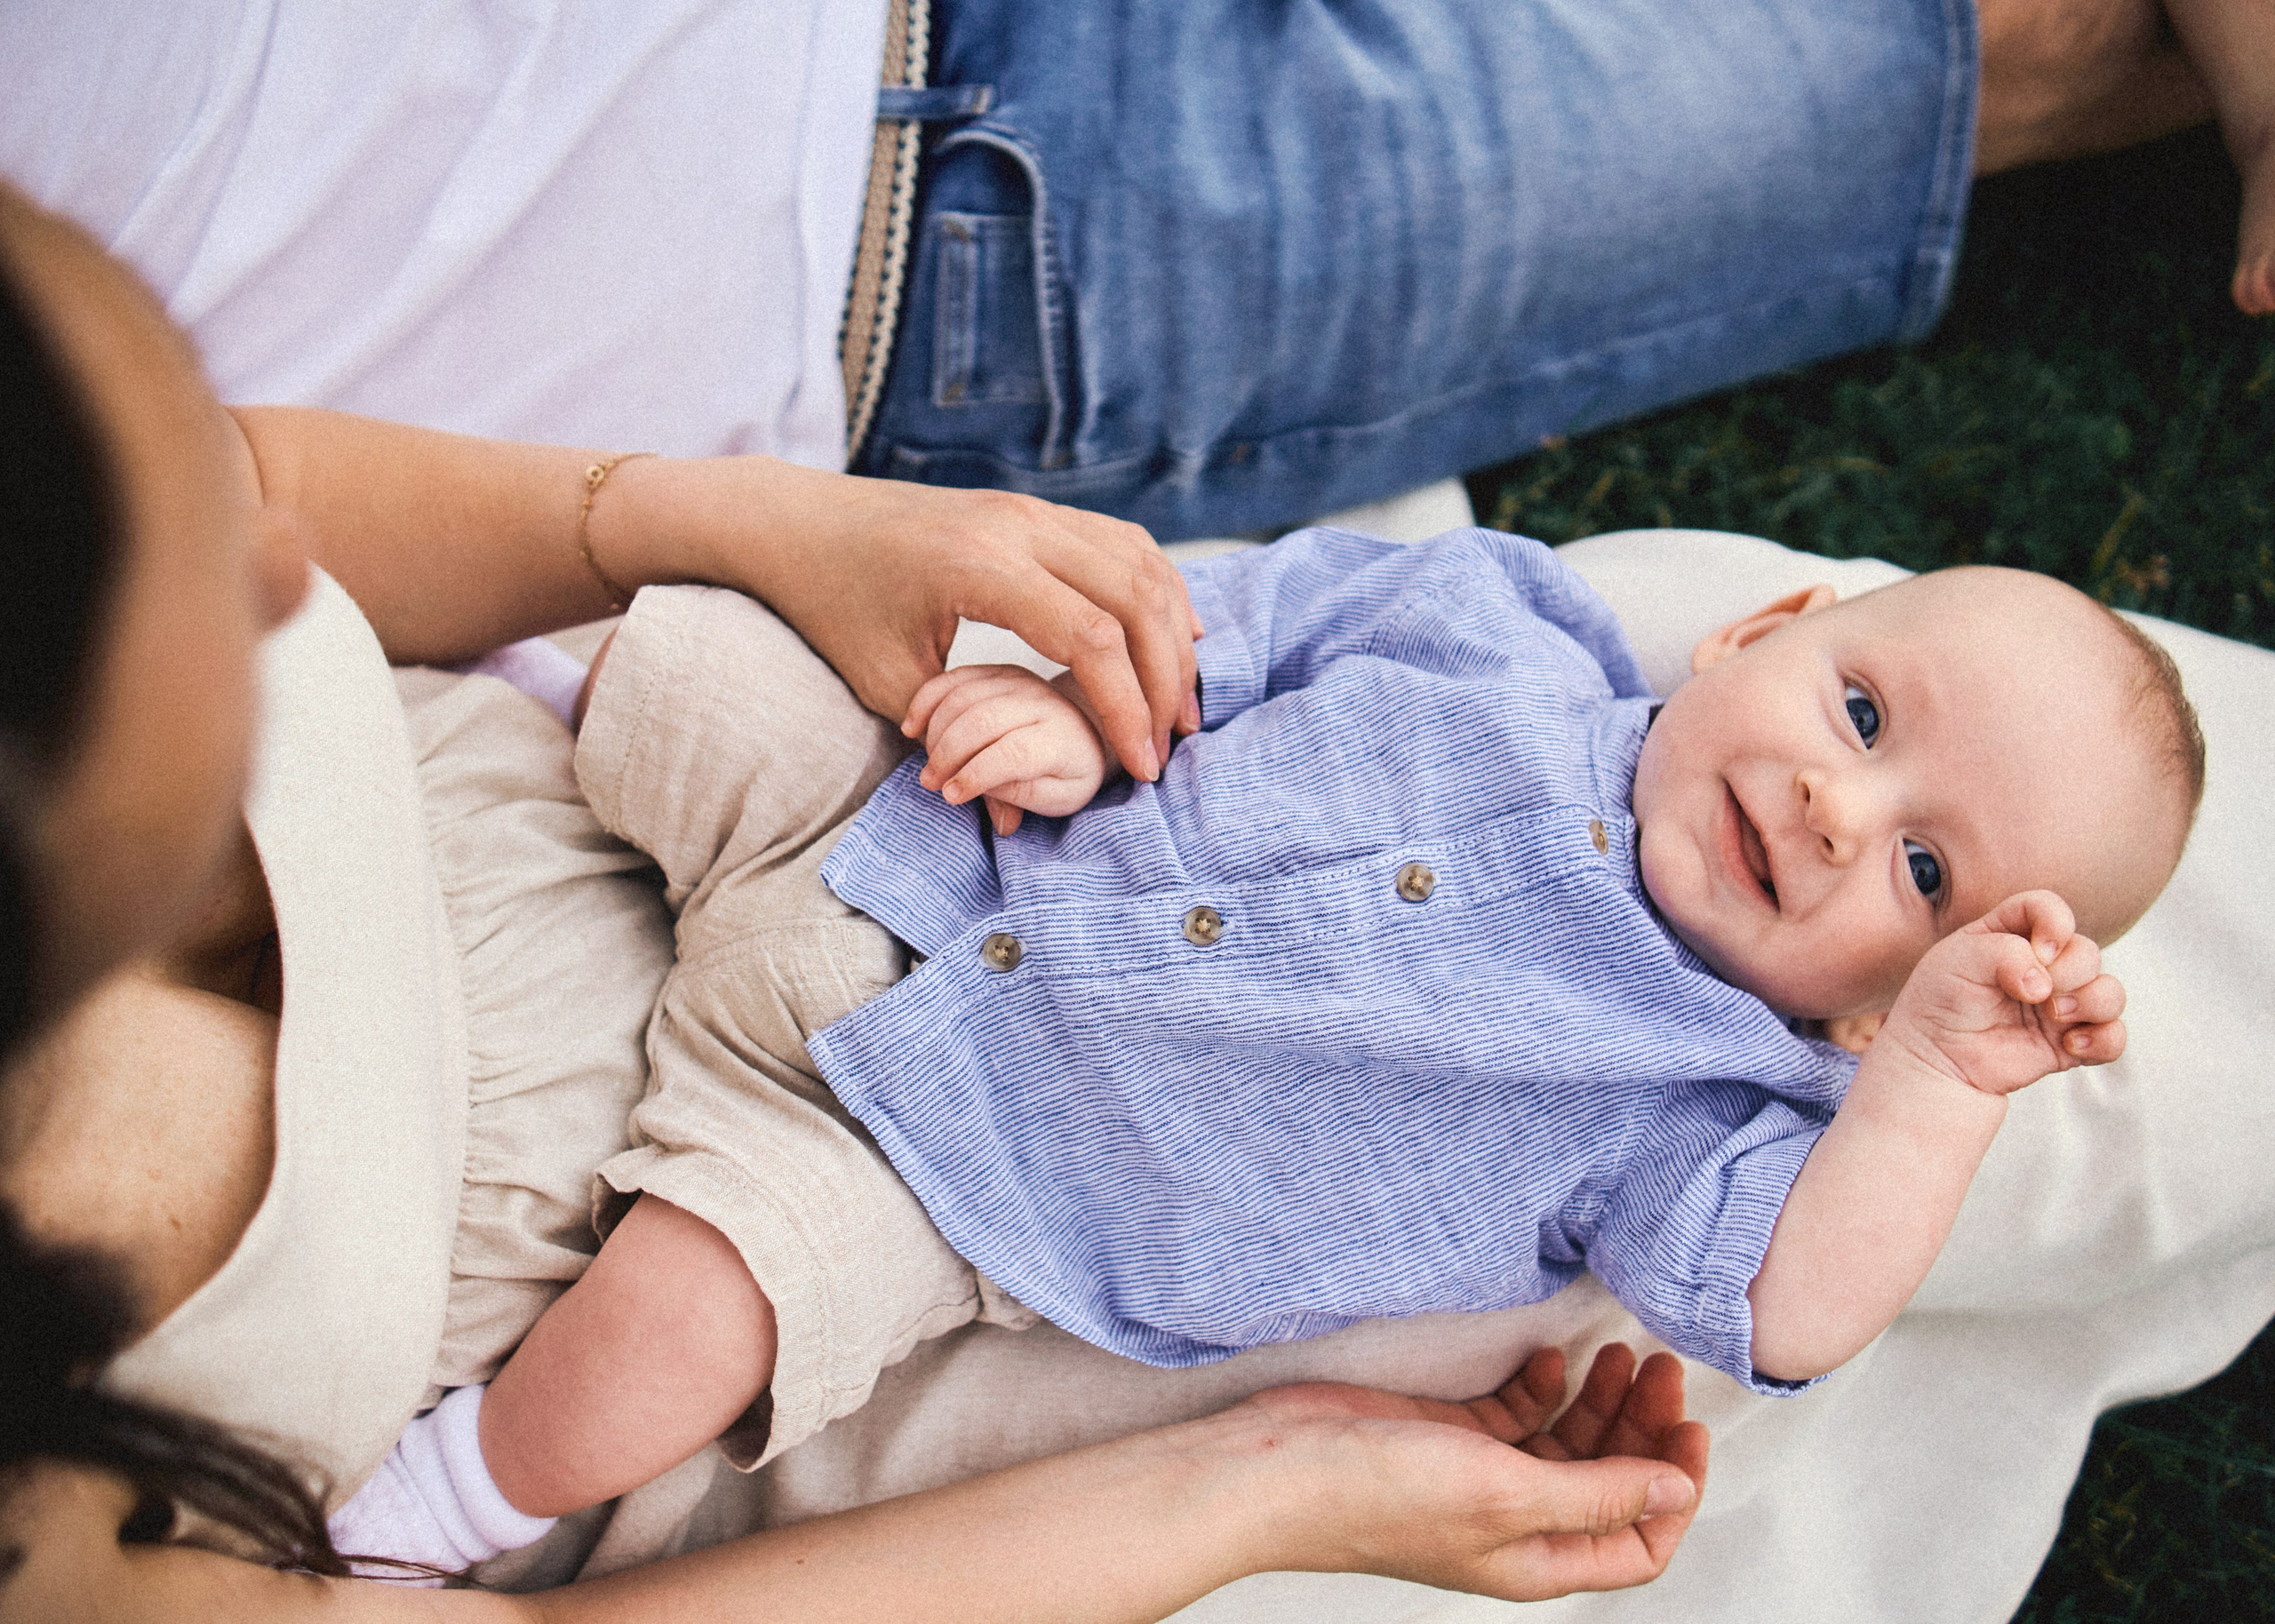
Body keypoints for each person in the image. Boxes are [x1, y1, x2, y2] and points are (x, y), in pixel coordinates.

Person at [0, 181, 1716, 1613]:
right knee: (1586, 1198)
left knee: (1727, 728)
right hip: (787, 1212)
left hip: (752, 804)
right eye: (178, 569)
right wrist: (1272, 1491)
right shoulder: (54, 1532)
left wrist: (751, 525)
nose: (286, 570)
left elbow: (270, 484)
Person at [330, 522, 2195, 1560]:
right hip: (887, 829)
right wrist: (1086, 706)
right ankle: (539, 695)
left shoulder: (1690, 1104)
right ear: (1756, 629)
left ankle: (436, 1508)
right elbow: (1241, 609)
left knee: (686, 1327)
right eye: (1857, 708)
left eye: (1924, 869)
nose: (1825, 806)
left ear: (1872, 1002)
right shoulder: (1500, 622)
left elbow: (1792, 1310)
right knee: (716, 654)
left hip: (933, 1166)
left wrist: (1938, 1082)